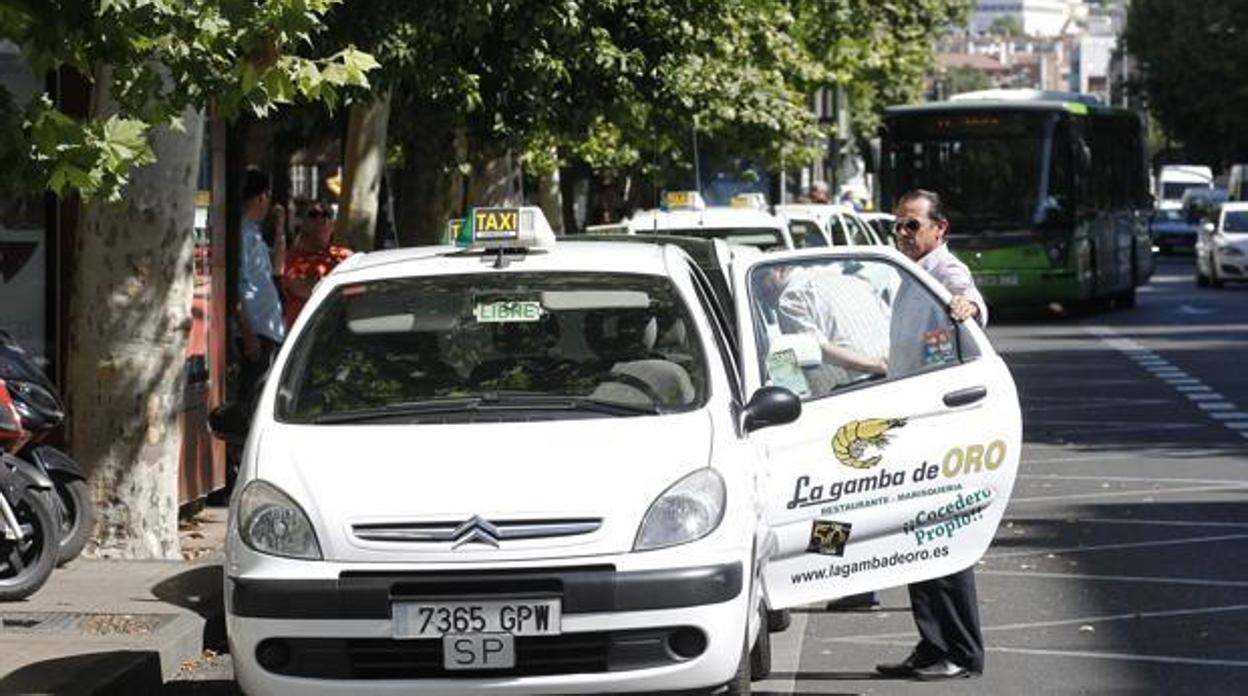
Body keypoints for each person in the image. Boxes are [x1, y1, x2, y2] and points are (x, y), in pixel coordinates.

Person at [876, 188, 987, 682]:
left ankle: (959, 651)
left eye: (911, 225)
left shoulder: (946, 272)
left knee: (942, 541)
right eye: (897, 225)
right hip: (911, 424)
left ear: (939, 230)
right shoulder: (912, 272)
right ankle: (932, 643)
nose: (902, 233)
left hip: (940, 429)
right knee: (916, 541)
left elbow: (969, 301)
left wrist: (968, 306)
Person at [762, 263, 889, 396]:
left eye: (761, 278)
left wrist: (877, 365)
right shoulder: (852, 280)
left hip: (855, 390)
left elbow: (818, 349)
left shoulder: (790, 299)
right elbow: (892, 323)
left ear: (778, 270)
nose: (760, 288)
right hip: (898, 375)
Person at [237, 169, 286, 411]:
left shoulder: (253, 233)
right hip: (256, 332)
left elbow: (278, 268)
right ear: (261, 197)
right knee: (253, 403)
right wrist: (248, 335)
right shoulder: (242, 235)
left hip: (267, 329)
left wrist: (279, 230)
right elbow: (237, 288)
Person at [282, 201, 353, 329]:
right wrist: (341, 284)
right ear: (303, 223)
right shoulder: (292, 257)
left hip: (341, 330)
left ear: (333, 225)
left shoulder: (346, 256)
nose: (320, 218)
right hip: (306, 334)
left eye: (326, 214)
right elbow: (301, 288)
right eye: (314, 214)